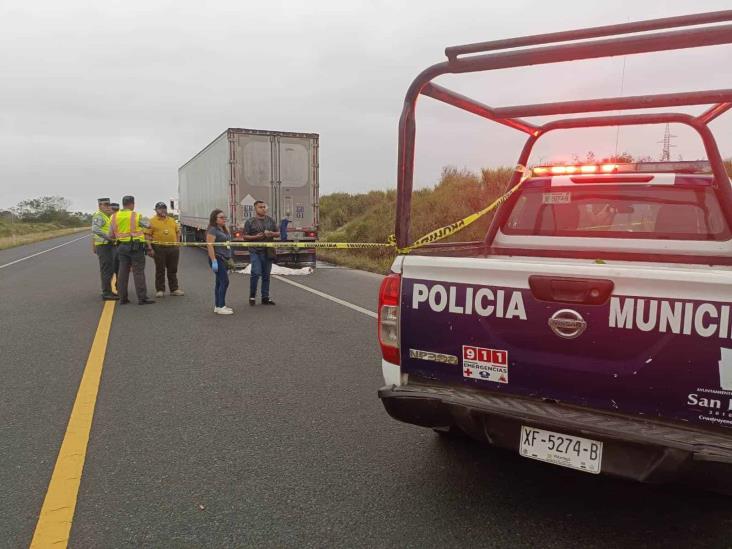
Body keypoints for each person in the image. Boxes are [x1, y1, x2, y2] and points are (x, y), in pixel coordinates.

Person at [108, 195, 155, 305]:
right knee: (138, 272)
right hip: (135, 248)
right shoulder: (136, 215)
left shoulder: (113, 217)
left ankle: (123, 298)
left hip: (121, 247)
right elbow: (148, 225)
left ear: (123, 204)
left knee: (122, 272)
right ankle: (142, 298)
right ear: (132, 204)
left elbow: (110, 235)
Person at [243, 200, 279, 306]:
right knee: (256, 273)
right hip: (255, 251)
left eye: (264, 207)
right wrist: (255, 237)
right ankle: (252, 296)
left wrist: (271, 233)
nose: (263, 209)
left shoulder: (270, 221)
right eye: (260, 207)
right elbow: (245, 236)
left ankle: (265, 298)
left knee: (266, 275)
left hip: (268, 251)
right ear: (255, 209)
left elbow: (278, 233)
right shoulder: (250, 222)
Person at [149, 201, 184, 297]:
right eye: (160, 208)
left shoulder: (172, 220)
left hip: (173, 248)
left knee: (173, 269)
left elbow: (177, 232)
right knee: (160, 269)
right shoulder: (152, 221)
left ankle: (174, 289)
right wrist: (149, 248)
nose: (163, 210)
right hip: (159, 248)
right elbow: (147, 235)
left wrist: (177, 243)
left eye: (164, 208)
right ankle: (160, 290)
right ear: (156, 210)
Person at [91, 197, 118, 300]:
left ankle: (108, 291)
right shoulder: (99, 215)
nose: (108, 206)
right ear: (100, 205)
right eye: (105, 204)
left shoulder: (106, 216)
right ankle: (106, 293)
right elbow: (95, 229)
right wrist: (109, 237)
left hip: (108, 245)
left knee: (109, 269)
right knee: (106, 269)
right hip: (104, 245)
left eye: (108, 204)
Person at [206, 209, 233, 315]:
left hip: (224, 258)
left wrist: (229, 257)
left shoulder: (223, 229)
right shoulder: (212, 230)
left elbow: (227, 244)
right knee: (224, 281)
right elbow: (210, 246)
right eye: (221, 217)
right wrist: (214, 261)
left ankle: (218, 305)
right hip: (217, 258)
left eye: (224, 217)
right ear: (215, 219)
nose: (223, 219)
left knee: (219, 282)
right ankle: (221, 306)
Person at [110, 202, 120, 279]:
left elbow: (111, 234)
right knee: (120, 267)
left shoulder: (112, 218)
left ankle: (116, 286)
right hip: (123, 244)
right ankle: (120, 287)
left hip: (114, 244)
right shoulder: (122, 216)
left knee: (115, 267)